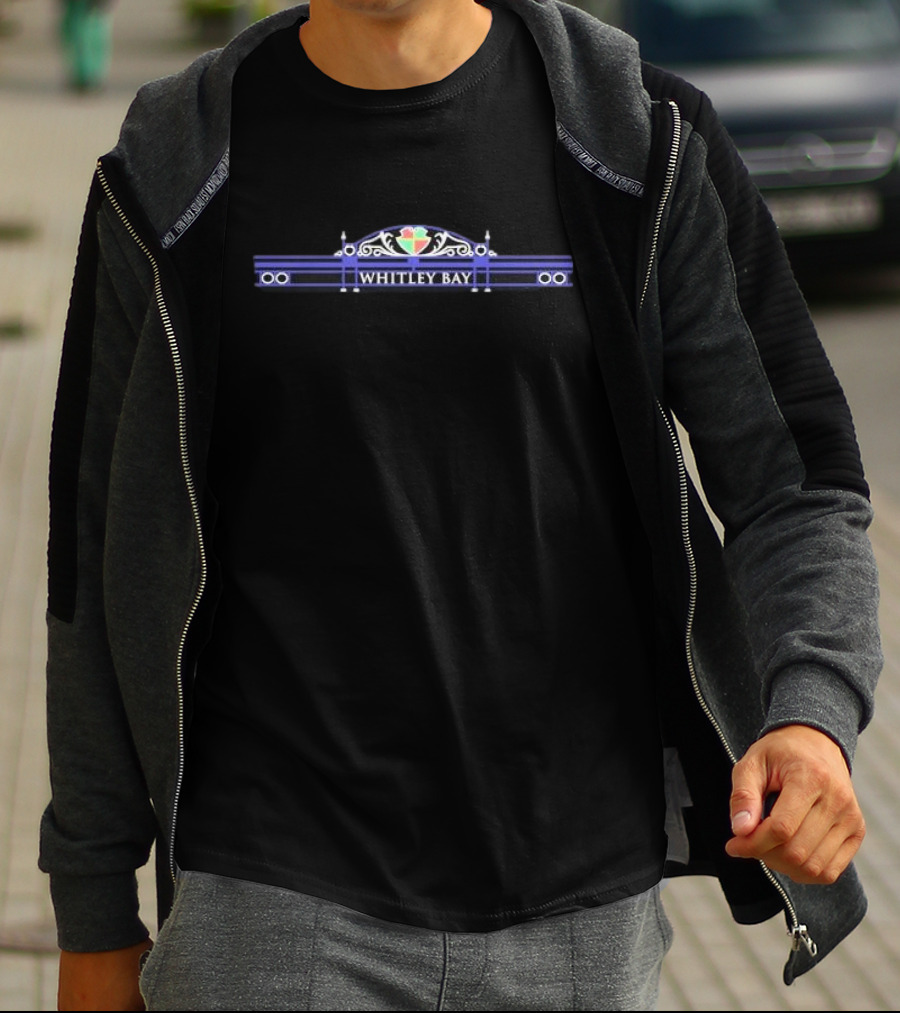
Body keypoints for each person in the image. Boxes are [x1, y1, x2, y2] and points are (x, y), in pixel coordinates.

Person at [41, 0, 881, 1009]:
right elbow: (90, 554)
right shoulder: (175, 164)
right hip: (270, 891)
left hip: (582, 895)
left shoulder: (635, 137)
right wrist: (93, 908)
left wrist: (813, 715)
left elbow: (797, 479)